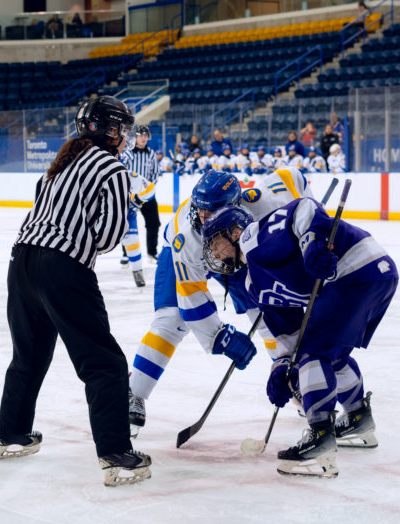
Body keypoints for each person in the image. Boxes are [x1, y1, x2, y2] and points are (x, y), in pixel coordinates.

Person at [0, 95, 151, 487]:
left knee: (28, 355)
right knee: (104, 363)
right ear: (109, 129)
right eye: (121, 128)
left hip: (21, 263)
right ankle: (116, 454)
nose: (125, 136)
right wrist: (81, 242)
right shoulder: (112, 168)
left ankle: (11, 434)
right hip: (62, 267)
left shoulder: (57, 165)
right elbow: (111, 235)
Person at [200, 201, 398, 478]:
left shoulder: (253, 238)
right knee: (330, 354)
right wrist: (282, 367)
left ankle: (320, 440)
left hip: (355, 269)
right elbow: (288, 334)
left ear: (234, 232)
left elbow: (303, 208)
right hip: (374, 273)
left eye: (215, 243)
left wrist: (313, 245)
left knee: (313, 355)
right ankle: (357, 419)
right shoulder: (252, 283)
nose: (214, 253)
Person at [128, 168, 314, 437]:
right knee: (171, 321)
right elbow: (191, 298)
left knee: (269, 314)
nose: (202, 218)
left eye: (211, 211)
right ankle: (134, 394)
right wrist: (219, 337)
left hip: (238, 249)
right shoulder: (187, 237)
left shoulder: (261, 204)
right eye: (200, 209)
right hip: (187, 257)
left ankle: (296, 382)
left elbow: (292, 178)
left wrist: (312, 229)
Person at [122, 125, 162, 264]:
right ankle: (126, 253)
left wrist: (147, 190)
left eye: (146, 135)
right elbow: (122, 173)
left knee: (154, 223)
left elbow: (155, 174)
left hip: (146, 196)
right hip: (129, 196)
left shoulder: (151, 154)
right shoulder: (127, 153)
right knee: (125, 224)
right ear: (135, 137)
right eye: (141, 135)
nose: (144, 138)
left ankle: (152, 252)